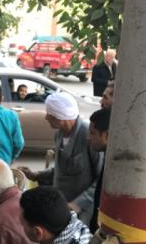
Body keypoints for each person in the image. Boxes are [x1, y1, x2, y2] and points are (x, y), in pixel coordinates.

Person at [18, 92, 101, 224]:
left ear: (60, 117)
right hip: (61, 205)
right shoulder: (59, 135)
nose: (46, 117)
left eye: (49, 114)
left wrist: (78, 203)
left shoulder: (87, 135)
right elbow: (60, 168)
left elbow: (100, 179)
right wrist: (37, 175)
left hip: (82, 212)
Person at [88, 107, 111, 232]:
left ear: (106, 135)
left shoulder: (116, 165)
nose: (89, 137)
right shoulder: (108, 157)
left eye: (92, 133)